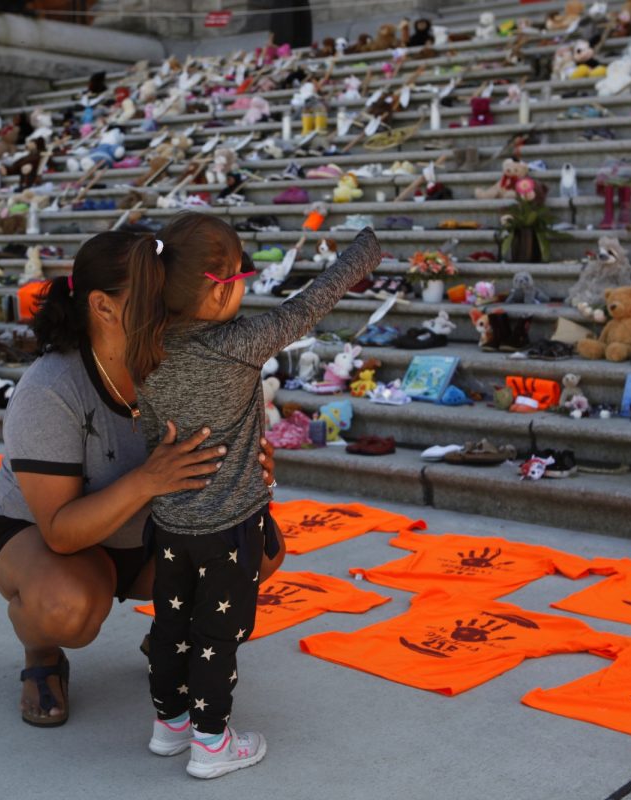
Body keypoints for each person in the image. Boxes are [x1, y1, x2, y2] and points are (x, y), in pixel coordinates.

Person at [0, 229, 283, 729]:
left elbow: (219, 466)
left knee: (260, 547)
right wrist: (148, 479)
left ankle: (173, 634)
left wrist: (249, 473)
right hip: (50, 541)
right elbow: (59, 530)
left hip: (147, 535)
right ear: (102, 307)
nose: (170, 307)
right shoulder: (51, 388)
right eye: (151, 296)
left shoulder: (189, 357)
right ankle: (40, 650)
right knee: (67, 607)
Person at [123, 214, 380, 779]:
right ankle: (211, 742)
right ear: (219, 288)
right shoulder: (238, 346)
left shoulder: (144, 346)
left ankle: (170, 724)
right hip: (228, 529)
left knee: (170, 625)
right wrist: (366, 252)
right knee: (216, 635)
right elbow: (309, 306)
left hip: (168, 525)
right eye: (241, 278)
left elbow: (148, 433)